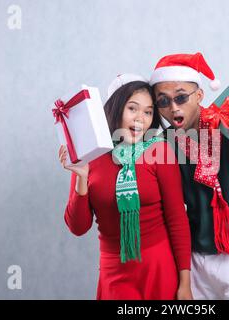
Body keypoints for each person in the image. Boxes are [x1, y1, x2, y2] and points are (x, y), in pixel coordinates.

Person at [149, 53, 229, 299]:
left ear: (199, 95)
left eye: (180, 97)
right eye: (163, 101)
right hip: (198, 261)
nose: (173, 108)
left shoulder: (228, 124)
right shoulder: (165, 145)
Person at [59, 74, 192, 300]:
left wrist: (185, 284)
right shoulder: (89, 155)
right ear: (116, 108)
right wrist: (81, 178)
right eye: (133, 108)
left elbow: (177, 219)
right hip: (115, 271)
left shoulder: (159, 152)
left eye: (148, 112)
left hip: (159, 268)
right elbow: (78, 227)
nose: (141, 118)